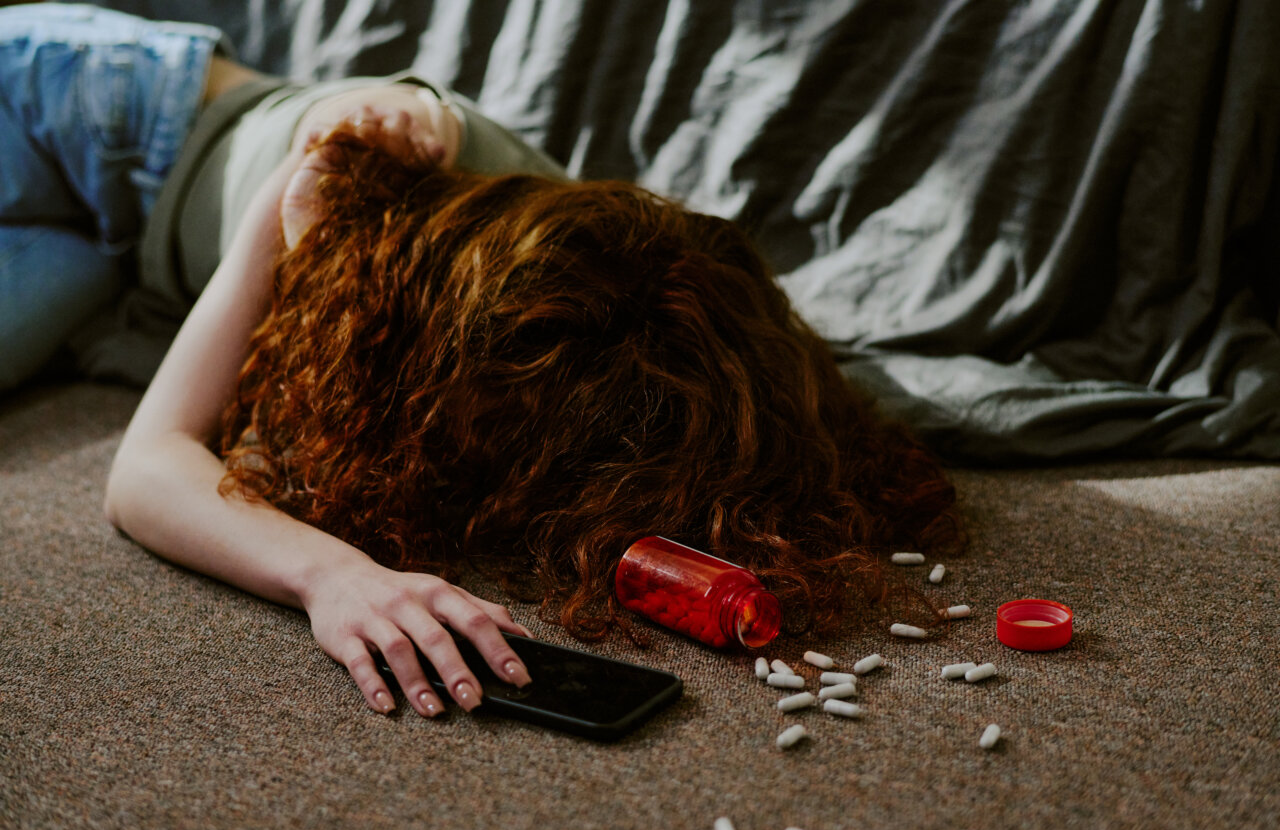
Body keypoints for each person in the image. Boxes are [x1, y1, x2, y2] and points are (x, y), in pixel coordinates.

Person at [3, 5, 961, 719]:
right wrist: (331, 575)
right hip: (85, 108)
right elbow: (145, 469)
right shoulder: (349, 179)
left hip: (115, 253)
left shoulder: (628, 299)